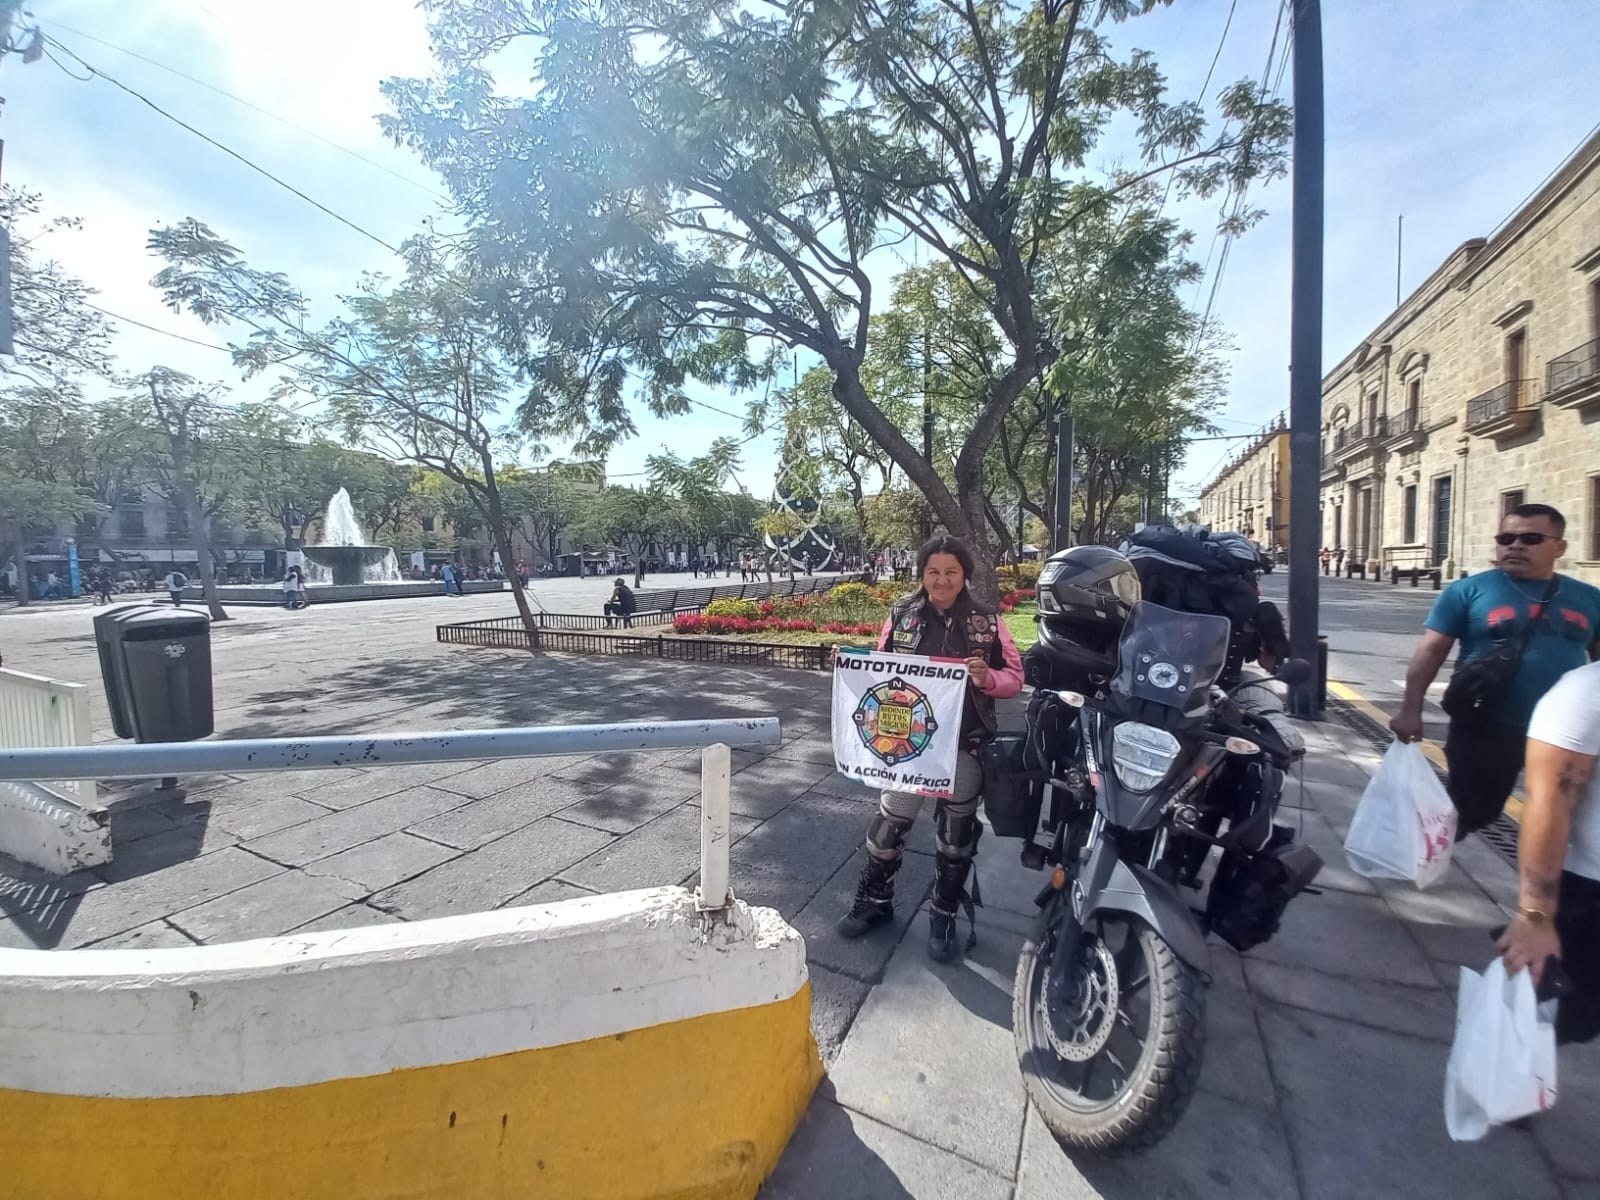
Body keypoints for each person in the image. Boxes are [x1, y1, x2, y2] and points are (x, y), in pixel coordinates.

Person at [836, 535, 1024, 962]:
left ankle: (943, 912)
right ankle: (875, 901)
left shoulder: (988, 621)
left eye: (951, 572)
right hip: (907, 747)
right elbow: (881, 670)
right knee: (890, 822)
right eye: (933, 572)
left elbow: (1014, 677)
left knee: (956, 837)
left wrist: (986, 678)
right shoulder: (901, 615)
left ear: (965, 576)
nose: (942, 581)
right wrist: (850, 664)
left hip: (963, 743)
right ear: (922, 574)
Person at [1391, 504, 1600, 836]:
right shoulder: (1467, 591)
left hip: (1567, 730)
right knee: (1474, 808)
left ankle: (1550, 879)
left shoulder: (1589, 598)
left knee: (1564, 814)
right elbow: (1430, 652)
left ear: (1559, 547)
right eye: (1506, 538)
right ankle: (1421, 855)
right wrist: (1409, 710)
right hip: (1487, 722)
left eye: (1530, 538)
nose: (1515, 545)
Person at [1498, 659, 1600, 1045]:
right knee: (1554, 1021)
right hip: (1591, 894)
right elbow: (1550, 799)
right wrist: (1536, 915)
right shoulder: (1586, 692)